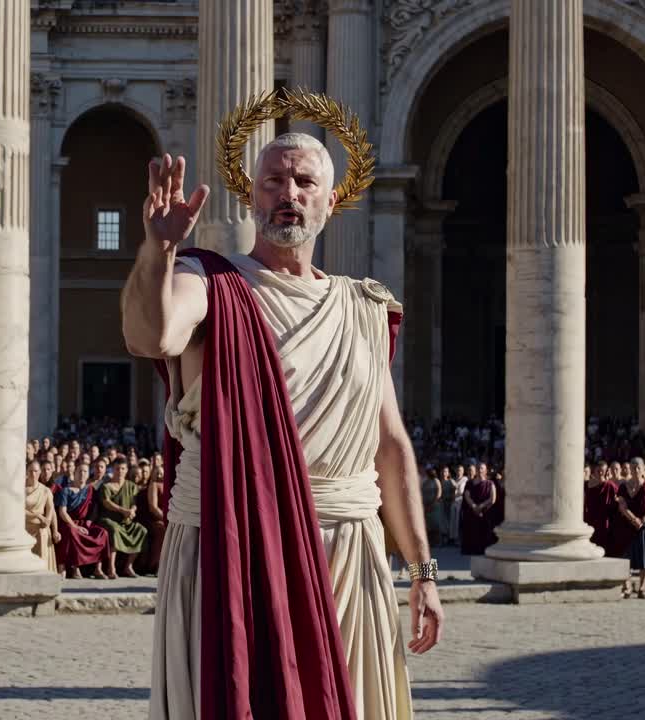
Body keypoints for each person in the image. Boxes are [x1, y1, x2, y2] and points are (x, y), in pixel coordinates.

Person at [124, 137, 440, 720]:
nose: (287, 194)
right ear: (250, 195)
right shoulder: (210, 282)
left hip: (348, 551)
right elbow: (153, 336)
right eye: (272, 181)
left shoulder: (363, 307)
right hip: (234, 545)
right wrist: (159, 251)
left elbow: (391, 449)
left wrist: (423, 572)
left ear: (331, 200)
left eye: (303, 182)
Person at [615, 458, 645, 599]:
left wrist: (642, 519)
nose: (636, 470)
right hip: (628, 524)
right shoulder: (623, 486)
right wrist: (633, 518)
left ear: (644, 468)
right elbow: (622, 506)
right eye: (633, 467)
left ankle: (641, 588)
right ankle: (627, 587)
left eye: (638, 467)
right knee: (626, 556)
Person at [54, 462, 108, 579]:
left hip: (84, 523)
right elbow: (62, 512)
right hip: (68, 522)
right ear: (74, 473)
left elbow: (95, 509)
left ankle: (98, 569)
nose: (82, 474)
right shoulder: (66, 491)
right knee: (71, 531)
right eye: (80, 471)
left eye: (85, 472)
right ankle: (69, 568)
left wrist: (89, 521)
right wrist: (75, 526)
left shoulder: (90, 490)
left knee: (102, 533)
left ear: (88, 475)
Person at [99, 459, 148, 578]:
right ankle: (112, 568)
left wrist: (132, 510)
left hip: (126, 521)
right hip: (109, 519)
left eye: (122, 469)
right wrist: (123, 510)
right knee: (114, 531)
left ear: (126, 471)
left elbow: (134, 502)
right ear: (113, 470)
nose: (120, 471)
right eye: (117, 469)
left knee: (142, 531)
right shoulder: (106, 486)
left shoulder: (131, 486)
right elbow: (106, 503)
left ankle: (128, 566)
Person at [24, 459, 58, 572]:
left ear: (39, 473)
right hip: (24, 526)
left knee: (42, 533)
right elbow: (18, 509)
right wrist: (38, 516)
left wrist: (48, 522)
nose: (33, 474)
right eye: (30, 471)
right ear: (26, 472)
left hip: (40, 527)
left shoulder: (45, 490)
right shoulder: (20, 489)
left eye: (35, 471)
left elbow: (51, 509)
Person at [459, 463, 498, 556]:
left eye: (482, 468)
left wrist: (481, 506)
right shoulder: (469, 483)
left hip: (485, 511)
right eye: (478, 468)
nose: (480, 470)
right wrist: (474, 506)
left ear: (485, 470)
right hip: (472, 511)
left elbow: (492, 499)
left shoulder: (490, 483)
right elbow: (467, 495)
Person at [584, 460, 618, 555]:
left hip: (604, 521)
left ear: (606, 471)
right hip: (589, 519)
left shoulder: (610, 486)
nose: (600, 472)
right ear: (594, 470)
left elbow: (618, 500)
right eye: (598, 470)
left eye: (602, 470)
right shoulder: (586, 484)